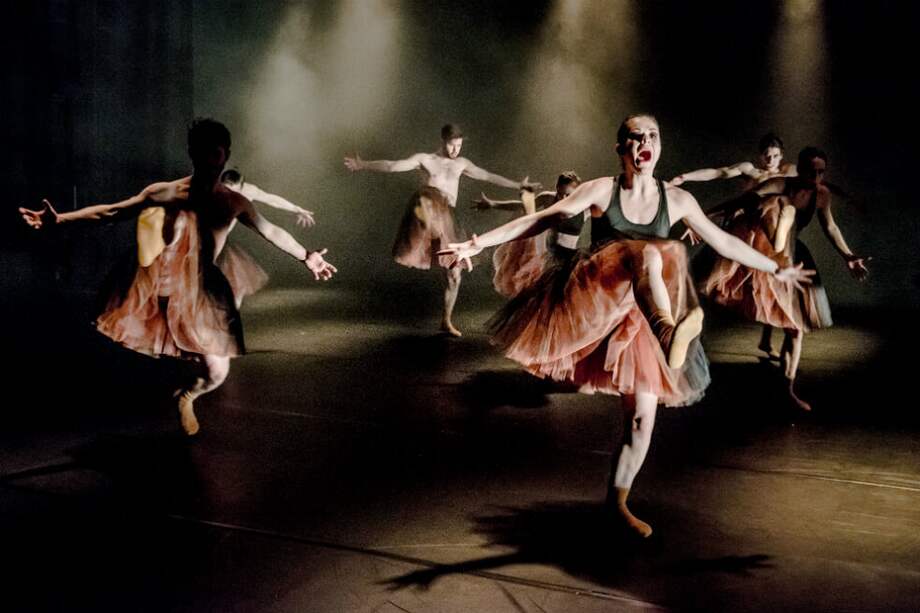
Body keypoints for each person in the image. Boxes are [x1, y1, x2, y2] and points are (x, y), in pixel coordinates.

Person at [438, 114, 812, 537]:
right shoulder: (601, 189)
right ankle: (669, 331)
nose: (645, 144)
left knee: (641, 421)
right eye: (636, 138)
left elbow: (721, 240)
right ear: (622, 149)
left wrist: (774, 268)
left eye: (653, 136)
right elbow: (543, 218)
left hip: (639, 320)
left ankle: (617, 501)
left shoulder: (677, 199)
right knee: (650, 254)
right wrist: (477, 242)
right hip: (597, 297)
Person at [20, 118, 337, 435]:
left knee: (216, 371)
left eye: (216, 154)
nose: (211, 161)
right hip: (167, 281)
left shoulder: (234, 202)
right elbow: (112, 211)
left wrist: (307, 256)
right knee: (157, 342)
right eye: (203, 153)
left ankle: (187, 395)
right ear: (192, 154)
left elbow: (271, 231)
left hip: (205, 287)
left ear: (225, 155)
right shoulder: (166, 192)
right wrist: (60, 220)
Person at [344, 124, 539, 336]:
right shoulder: (426, 160)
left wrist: (517, 185)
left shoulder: (461, 164)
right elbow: (392, 166)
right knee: (429, 198)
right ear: (442, 141)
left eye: (459, 146)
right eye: (452, 145)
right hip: (427, 209)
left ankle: (446, 320)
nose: (455, 150)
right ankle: (423, 235)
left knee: (454, 274)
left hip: (448, 217)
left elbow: (486, 175)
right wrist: (363, 164)